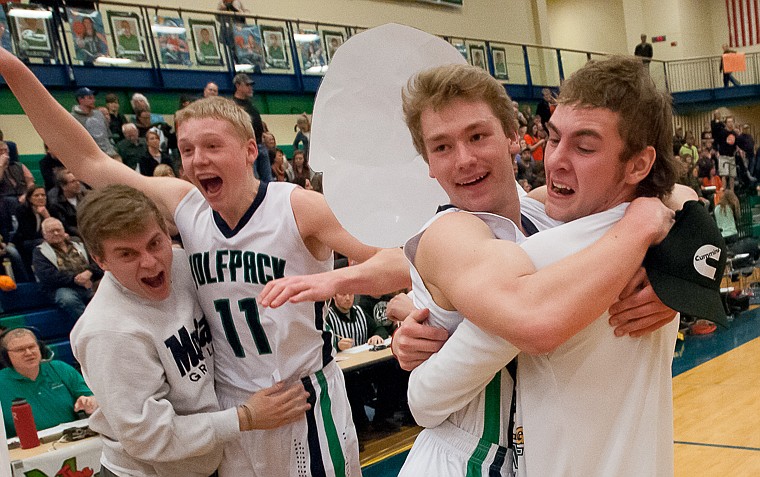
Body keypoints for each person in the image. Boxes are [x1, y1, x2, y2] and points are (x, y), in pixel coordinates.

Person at [0, 47, 411, 475]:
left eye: (212, 146)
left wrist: (333, 280)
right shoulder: (185, 206)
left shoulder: (298, 207)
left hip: (300, 399)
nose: (198, 160)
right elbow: (88, 159)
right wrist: (11, 67)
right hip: (231, 408)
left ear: (251, 150)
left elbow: (402, 262)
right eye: (187, 149)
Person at [71, 185, 309, 477]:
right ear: (100, 261)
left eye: (154, 243)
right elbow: (148, 437)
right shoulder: (108, 333)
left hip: (203, 461)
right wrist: (245, 417)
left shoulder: (183, 266)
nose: (149, 261)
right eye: (127, 254)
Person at [0, 327, 97, 438]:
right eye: (20, 350)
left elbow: (92, 398)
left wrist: (89, 401)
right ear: (6, 355)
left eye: (32, 347)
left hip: (72, 438)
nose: (28, 353)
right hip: (23, 448)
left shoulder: (61, 368)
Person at [32, 217, 102, 321]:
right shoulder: (40, 251)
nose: (56, 233)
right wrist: (76, 279)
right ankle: (90, 325)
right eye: (51, 231)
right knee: (68, 300)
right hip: (63, 288)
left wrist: (89, 272)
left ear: (64, 230)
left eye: (58, 230)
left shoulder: (79, 244)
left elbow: (98, 262)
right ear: (44, 235)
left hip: (90, 282)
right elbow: (47, 276)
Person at [71, 87, 118, 158]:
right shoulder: (73, 118)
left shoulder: (99, 114)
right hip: (92, 157)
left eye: (93, 97)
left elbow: (108, 135)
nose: (94, 100)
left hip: (110, 154)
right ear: (81, 100)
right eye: (90, 98)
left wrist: (113, 150)